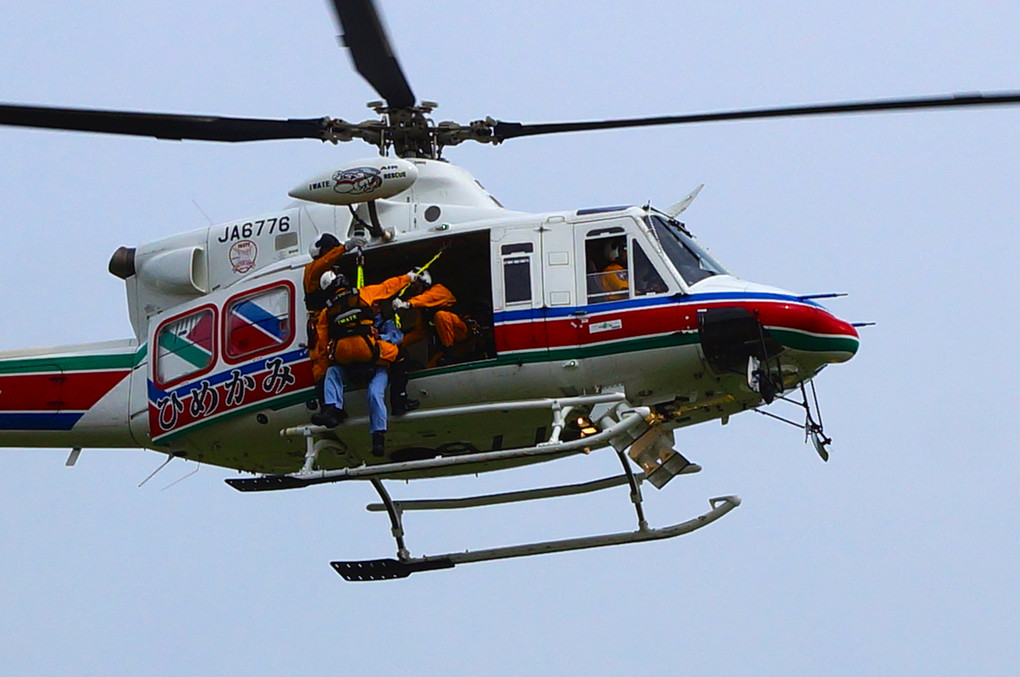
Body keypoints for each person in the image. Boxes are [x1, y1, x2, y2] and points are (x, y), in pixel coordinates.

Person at [311, 268, 424, 456]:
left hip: (343, 357)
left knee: (332, 373)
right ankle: (397, 404)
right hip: (369, 353)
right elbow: (388, 287)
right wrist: (408, 278)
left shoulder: (326, 311)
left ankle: (332, 408)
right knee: (398, 356)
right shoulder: (363, 294)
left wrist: (319, 376)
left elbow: (321, 346)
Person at [393, 274, 481, 367]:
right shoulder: (423, 309)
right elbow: (420, 332)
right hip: (455, 347)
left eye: (413, 283)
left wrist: (408, 303)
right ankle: (448, 355)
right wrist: (397, 344)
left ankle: (449, 355)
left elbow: (429, 298)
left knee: (441, 316)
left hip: (463, 335)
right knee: (430, 368)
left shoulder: (439, 290)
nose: (410, 287)